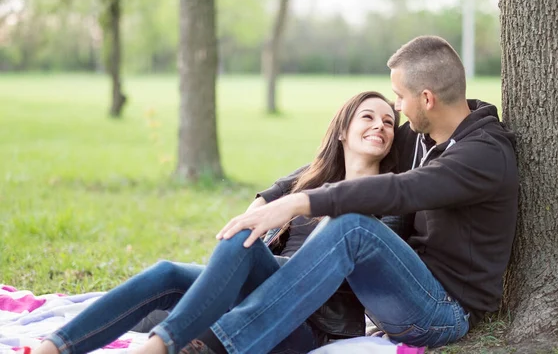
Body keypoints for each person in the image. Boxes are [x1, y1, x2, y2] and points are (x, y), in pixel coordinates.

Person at [185, 35, 518, 353]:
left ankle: (220, 345)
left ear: (427, 99)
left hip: (445, 314)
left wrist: (301, 202)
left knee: (353, 228)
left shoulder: (482, 155)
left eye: (399, 97)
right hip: (405, 290)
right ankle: (170, 336)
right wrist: (276, 194)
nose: (397, 107)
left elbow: (401, 190)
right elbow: (339, 160)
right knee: (173, 277)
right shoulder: (419, 137)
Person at [32, 91, 402, 354]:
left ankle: (160, 346)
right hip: (261, 289)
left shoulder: (393, 194)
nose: (380, 126)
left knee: (239, 244)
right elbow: (262, 204)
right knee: (167, 273)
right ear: (342, 131)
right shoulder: (310, 180)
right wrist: (234, 262)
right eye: (367, 117)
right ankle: (56, 346)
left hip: (311, 324)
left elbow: (377, 269)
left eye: (388, 121)